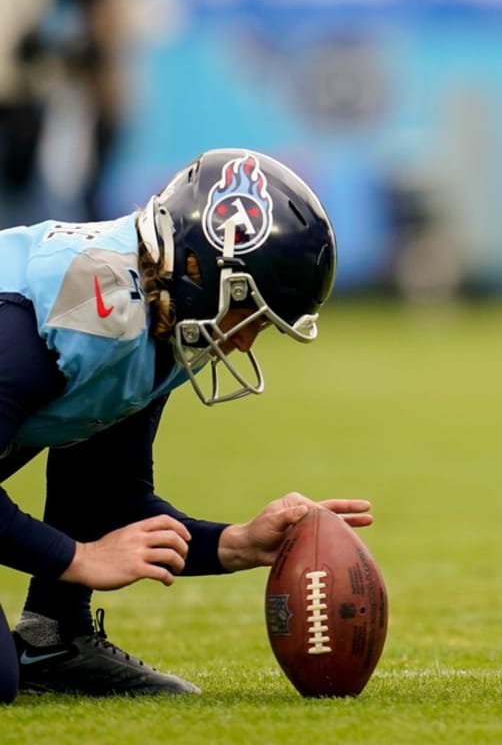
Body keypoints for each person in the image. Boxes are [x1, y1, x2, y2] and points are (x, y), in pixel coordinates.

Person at [0, 147, 369, 700]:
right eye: (248, 315)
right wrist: (76, 557)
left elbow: (111, 497)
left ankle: (52, 638)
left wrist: (238, 544)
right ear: (201, 270)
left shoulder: (151, 313)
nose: (243, 341)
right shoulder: (54, 314)